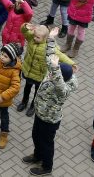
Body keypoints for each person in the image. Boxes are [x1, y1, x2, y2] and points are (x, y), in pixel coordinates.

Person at [22, 27, 77, 177]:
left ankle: (47, 167)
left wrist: (55, 70)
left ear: (60, 77)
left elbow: (59, 83)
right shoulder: (54, 74)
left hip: (50, 119)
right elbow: (50, 55)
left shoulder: (63, 89)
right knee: (35, 136)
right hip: (40, 114)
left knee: (46, 143)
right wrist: (51, 39)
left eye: (54, 73)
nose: (51, 75)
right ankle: (37, 155)